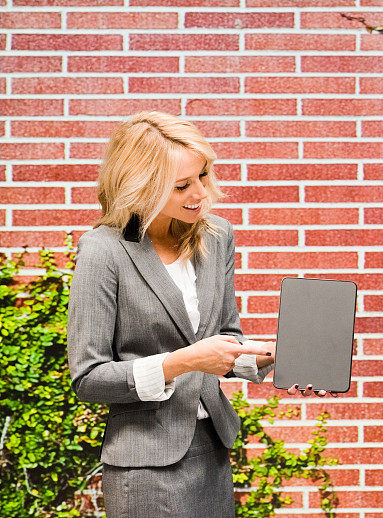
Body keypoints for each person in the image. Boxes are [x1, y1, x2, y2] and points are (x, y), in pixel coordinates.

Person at [66, 111, 336, 517]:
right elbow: (89, 378)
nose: (200, 193)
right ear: (142, 186)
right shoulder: (104, 251)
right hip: (145, 464)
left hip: (211, 448)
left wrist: (279, 355)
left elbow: (224, 337)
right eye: (181, 185)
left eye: (203, 176)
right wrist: (184, 361)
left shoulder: (215, 236)